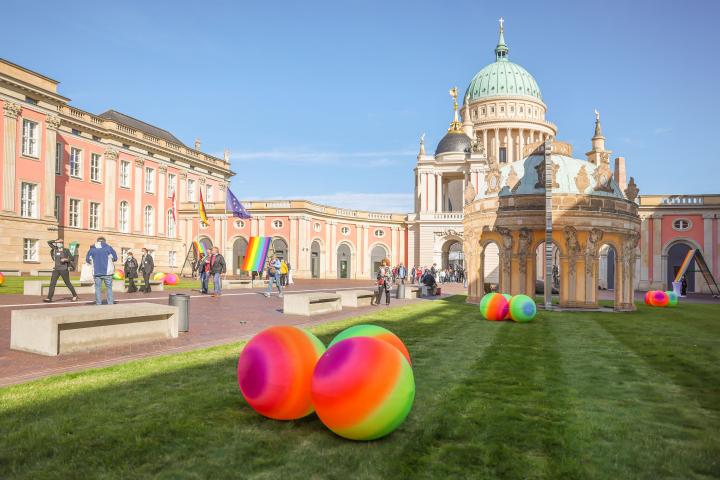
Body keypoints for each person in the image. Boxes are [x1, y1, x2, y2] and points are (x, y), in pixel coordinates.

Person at [43, 238, 78, 303]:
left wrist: (66, 259)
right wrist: (55, 241)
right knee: (52, 283)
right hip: (56, 269)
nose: (59, 244)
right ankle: (49, 298)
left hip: (64, 269)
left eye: (60, 243)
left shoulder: (66, 250)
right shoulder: (55, 249)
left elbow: (72, 258)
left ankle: (75, 295)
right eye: (58, 243)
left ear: (62, 243)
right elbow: (48, 242)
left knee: (67, 283)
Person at [86, 236, 118, 305]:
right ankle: (110, 303)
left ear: (97, 241)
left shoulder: (92, 249)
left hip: (96, 272)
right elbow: (115, 258)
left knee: (97, 288)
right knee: (109, 288)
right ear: (104, 241)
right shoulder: (108, 248)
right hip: (108, 272)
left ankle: (98, 303)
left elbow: (88, 260)